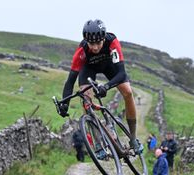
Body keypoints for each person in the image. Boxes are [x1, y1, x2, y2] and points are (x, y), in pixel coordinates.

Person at [57, 19, 143, 156]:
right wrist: (64, 103)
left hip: (110, 66)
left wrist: (106, 86)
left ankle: (133, 138)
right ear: (86, 41)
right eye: (92, 43)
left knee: (127, 92)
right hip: (89, 68)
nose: (95, 47)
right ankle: (98, 143)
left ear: (103, 38)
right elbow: (70, 80)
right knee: (86, 102)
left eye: (98, 43)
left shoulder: (112, 41)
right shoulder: (82, 50)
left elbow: (121, 74)